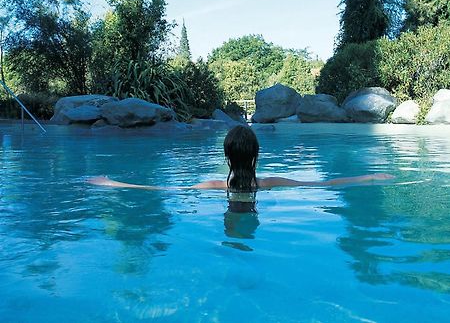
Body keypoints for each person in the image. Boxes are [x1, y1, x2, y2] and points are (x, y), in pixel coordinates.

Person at [88, 125, 393, 190]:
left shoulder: (215, 187)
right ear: (257, 154)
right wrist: (370, 176)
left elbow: (162, 190)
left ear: (227, 155)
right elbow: (324, 184)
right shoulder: (269, 183)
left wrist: (111, 182)